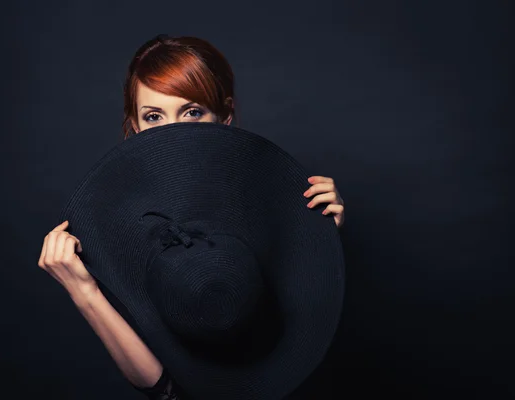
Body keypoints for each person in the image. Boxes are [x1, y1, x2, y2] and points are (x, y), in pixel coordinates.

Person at [38, 34, 346, 399]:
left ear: (225, 116)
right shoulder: (112, 222)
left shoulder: (271, 196)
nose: (175, 131)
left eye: (193, 112)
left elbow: (301, 330)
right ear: (134, 126)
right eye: (154, 116)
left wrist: (319, 236)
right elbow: (166, 390)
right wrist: (84, 290)